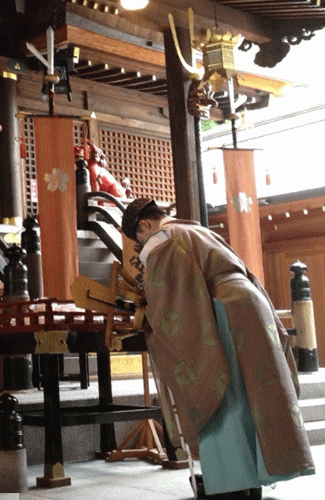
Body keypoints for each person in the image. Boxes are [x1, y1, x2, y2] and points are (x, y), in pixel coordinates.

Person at [121, 198, 315, 500]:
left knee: (224, 393)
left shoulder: (163, 239)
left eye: (140, 239)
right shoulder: (196, 230)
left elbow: (171, 298)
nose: (143, 244)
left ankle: (232, 484)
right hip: (253, 308)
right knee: (254, 396)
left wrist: (149, 316)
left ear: (144, 225)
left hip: (224, 313)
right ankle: (255, 479)